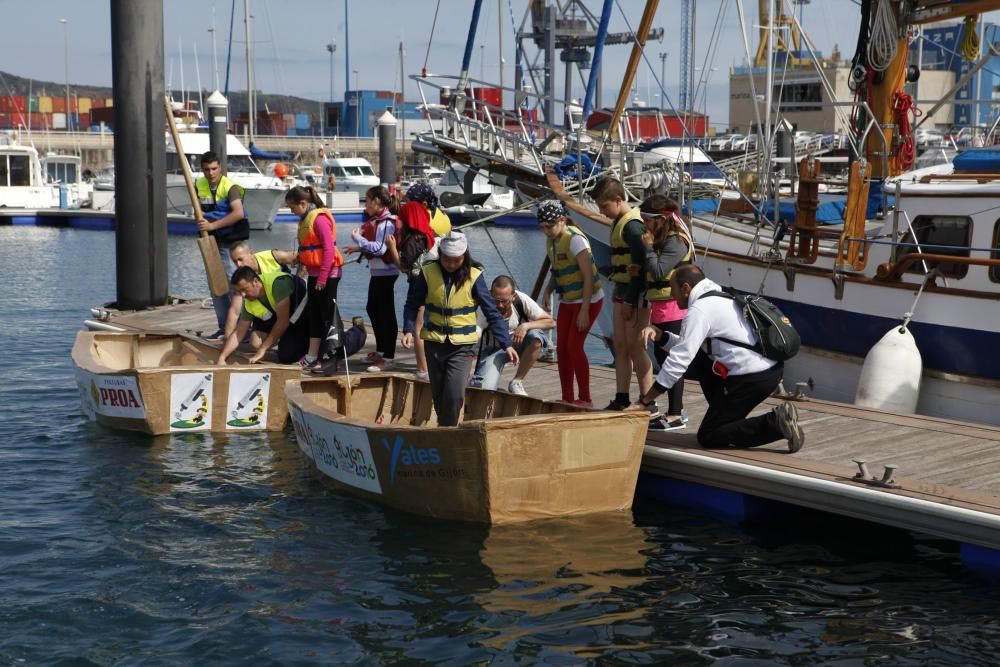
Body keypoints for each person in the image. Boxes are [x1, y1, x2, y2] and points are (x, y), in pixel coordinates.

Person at [628, 264, 805, 451]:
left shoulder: (700, 310)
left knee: (709, 435)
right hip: (768, 370)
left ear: (686, 288)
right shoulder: (719, 296)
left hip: (753, 377)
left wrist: (644, 402)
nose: (672, 294)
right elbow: (690, 346)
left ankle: (777, 422)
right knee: (703, 362)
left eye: (673, 288)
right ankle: (733, 416)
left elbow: (678, 362)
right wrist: (660, 335)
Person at [401, 231, 517, 426]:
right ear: (441, 255)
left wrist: (507, 344)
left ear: (464, 256)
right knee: (439, 398)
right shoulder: (428, 272)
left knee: (454, 395)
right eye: (447, 259)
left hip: (463, 347)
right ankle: (446, 429)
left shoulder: (474, 276)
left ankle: (449, 433)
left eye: (456, 260)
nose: (452, 264)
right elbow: (412, 304)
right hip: (434, 343)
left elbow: (492, 312)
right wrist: (408, 329)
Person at [630, 194, 694, 430]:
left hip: (673, 309)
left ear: (660, 219)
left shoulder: (676, 242)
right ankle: (673, 410)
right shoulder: (664, 240)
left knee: (671, 359)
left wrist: (646, 247)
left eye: (647, 219)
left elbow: (658, 272)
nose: (645, 224)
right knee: (662, 356)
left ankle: (676, 413)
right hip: (661, 307)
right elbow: (656, 268)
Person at [591, 177, 653, 411]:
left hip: (634, 294)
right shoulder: (619, 221)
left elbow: (641, 264)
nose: (602, 212)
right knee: (621, 347)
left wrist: (630, 299)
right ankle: (622, 397)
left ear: (618, 200)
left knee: (636, 346)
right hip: (621, 289)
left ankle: (648, 400)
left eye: (605, 207)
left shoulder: (633, 226)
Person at [538, 201, 604, 407]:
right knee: (562, 350)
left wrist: (584, 311)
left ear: (562, 220)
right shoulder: (553, 241)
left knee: (575, 347)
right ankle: (567, 397)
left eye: (549, 226)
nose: (546, 231)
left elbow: (587, 278)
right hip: (567, 299)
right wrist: (548, 290)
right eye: (542, 227)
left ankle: (585, 398)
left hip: (589, 300)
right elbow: (558, 269)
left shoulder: (575, 241)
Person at [286, 185, 344, 373]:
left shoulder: (319, 219)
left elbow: (328, 250)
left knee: (327, 315)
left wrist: (323, 277)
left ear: (303, 203)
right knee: (315, 315)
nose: (292, 211)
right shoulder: (306, 220)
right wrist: (301, 263)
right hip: (313, 273)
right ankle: (312, 355)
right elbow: (310, 248)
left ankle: (329, 357)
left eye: (292, 207)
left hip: (327, 274)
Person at [345, 186, 400, 372]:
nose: (365, 204)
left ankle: (389, 356)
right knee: (373, 308)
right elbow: (375, 246)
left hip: (387, 273)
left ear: (377, 201)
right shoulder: (377, 221)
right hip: (377, 272)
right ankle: (382, 350)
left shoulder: (387, 223)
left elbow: (381, 249)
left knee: (386, 313)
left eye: (367, 200)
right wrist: (359, 248)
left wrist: (357, 239)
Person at [196, 150, 250, 337]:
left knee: (235, 283)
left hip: (231, 242)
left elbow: (238, 213)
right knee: (216, 285)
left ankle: (243, 327)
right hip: (212, 242)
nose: (210, 174)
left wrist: (212, 225)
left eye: (213, 169)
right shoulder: (199, 184)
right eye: (206, 170)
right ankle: (223, 326)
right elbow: (199, 209)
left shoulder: (230, 187)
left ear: (220, 167)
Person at [472, 275, 555, 395]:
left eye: (504, 301)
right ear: (490, 294)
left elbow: (551, 322)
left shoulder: (521, 300)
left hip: (517, 345)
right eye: (496, 300)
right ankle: (478, 380)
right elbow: (476, 334)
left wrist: (525, 326)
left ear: (513, 296)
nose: (499, 305)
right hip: (493, 351)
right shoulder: (483, 308)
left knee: (536, 337)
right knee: (486, 390)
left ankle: (517, 381)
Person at [383, 199, 438, 381]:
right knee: (427, 326)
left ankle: (423, 369)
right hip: (432, 284)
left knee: (418, 328)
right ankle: (429, 365)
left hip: (418, 285)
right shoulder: (428, 235)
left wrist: (392, 249)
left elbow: (404, 267)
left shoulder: (412, 239)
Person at [217, 266, 309, 365]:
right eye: (239, 291)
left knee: (286, 356)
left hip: (304, 316)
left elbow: (283, 321)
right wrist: (222, 357)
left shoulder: (278, 284)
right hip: (283, 318)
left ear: (255, 281)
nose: (242, 295)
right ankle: (284, 338)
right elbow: (239, 332)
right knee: (256, 343)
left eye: (244, 289)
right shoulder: (249, 300)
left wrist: (262, 350)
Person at [223, 241, 297, 340]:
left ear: (250, 253)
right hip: (268, 314)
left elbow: (300, 257)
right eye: (234, 261)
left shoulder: (273, 256)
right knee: (255, 343)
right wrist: (227, 338)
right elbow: (234, 311)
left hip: (288, 304)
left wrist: (298, 278)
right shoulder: (240, 277)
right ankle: (277, 338)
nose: (238, 264)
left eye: (240, 259)